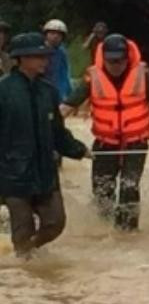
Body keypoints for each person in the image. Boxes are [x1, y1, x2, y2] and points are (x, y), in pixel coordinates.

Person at [61, 34, 149, 231]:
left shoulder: (142, 76)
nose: (116, 65)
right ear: (104, 58)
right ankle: (104, 233)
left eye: (120, 60)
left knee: (129, 187)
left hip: (136, 143)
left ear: (127, 57)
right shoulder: (92, 78)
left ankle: (128, 235)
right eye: (111, 60)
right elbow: (65, 108)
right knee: (102, 192)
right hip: (104, 143)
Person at [0, 33, 91, 257]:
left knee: (56, 223)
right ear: (20, 59)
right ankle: (25, 275)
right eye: (38, 56)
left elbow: (58, 132)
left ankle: (26, 254)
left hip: (45, 172)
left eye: (45, 56)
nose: (44, 61)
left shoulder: (48, 91)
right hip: (13, 174)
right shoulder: (3, 91)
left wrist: (79, 150)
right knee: (22, 229)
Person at [42, 18, 72, 101]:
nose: (55, 36)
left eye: (59, 34)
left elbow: (65, 73)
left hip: (58, 91)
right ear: (46, 34)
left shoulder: (62, 52)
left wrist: (67, 93)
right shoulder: (39, 51)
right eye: (52, 33)